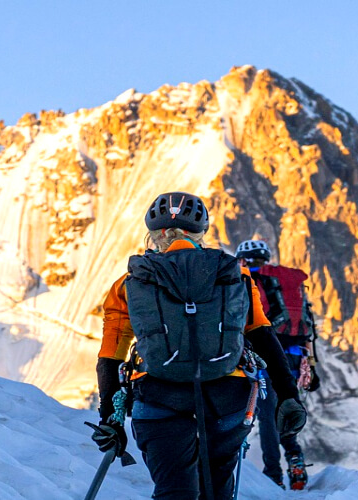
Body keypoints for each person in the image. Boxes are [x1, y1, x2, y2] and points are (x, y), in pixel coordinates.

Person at [90, 192, 307, 500]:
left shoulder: (129, 282)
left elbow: (111, 354)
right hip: (228, 399)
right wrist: (288, 395)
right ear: (200, 233)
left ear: (158, 234)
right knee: (217, 490)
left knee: (174, 491)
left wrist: (109, 417)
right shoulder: (236, 274)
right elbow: (262, 334)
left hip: (158, 398)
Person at [234, 239, 321, 490]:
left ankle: (273, 474)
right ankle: (295, 459)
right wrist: (312, 368)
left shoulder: (248, 280)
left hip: (266, 356)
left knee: (268, 416)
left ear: (244, 259)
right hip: (296, 357)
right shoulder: (289, 283)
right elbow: (310, 331)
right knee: (286, 406)